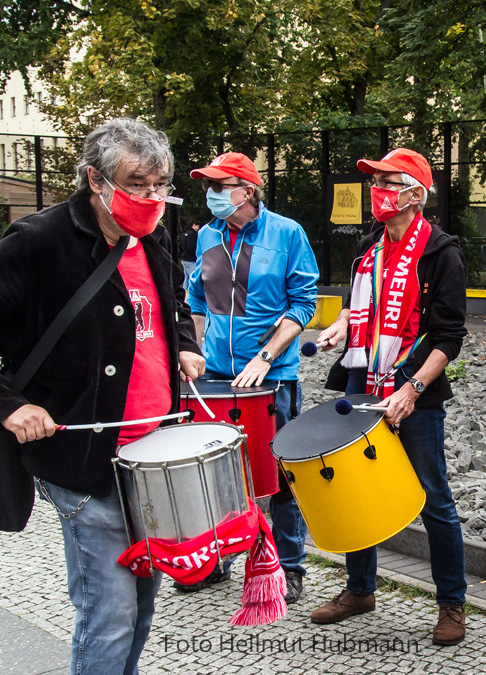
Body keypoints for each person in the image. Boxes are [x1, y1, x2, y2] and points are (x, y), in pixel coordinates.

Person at [0, 117, 205, 675]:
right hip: (85, 464)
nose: (152, 197)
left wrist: (184, 343)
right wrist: (12, 406)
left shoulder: (155, 233)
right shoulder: (39, 243)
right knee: (108, 617)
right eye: (137, 184)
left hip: (152, 454)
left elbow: (173, 302)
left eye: (161, 184)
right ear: (95, 179)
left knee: (140, 612)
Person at [313, 147, 469, 646]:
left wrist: (413, 387)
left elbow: (449, 336)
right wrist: (340, 325)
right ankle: (360, 589)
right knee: (355, 489)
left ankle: (452, 604)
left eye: (388, 180)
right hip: (362, 385)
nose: (377, 189)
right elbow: (360, 309)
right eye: (375, 180)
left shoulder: (441, 252)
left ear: (416, 194)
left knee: (433, 497)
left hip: (414, 391)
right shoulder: (367, 248)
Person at [185, 151, 320, 602]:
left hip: (272, 378)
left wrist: (265, 357)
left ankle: (289, 566)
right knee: (215, 472)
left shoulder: (287, 233)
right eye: (209, 186)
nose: (211, 195)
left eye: (220, 186)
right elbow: (198, 303)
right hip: (216, 378)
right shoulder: (206, 235)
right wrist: (197, 354)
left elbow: (303, 304)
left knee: (280, 473)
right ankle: (216, 558)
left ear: (247, 189)